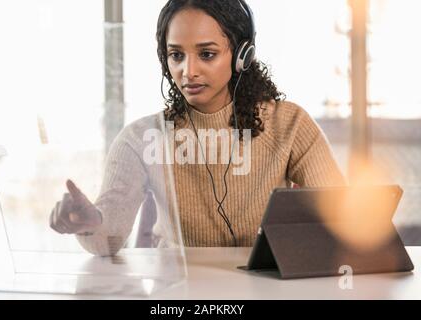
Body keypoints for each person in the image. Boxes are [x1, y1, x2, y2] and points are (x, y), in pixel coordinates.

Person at [49, 0, 346, 255]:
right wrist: (91, 224)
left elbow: (341, 221)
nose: (188, 72)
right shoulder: (141, 138)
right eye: (176, 55)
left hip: (264, 290)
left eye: (206, 54)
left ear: (242, 57)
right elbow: (109, 239)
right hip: (178, 292)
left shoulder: (289, 125)